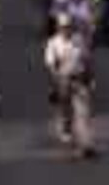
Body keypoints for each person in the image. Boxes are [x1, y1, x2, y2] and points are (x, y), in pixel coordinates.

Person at [44, 13, 96, 158]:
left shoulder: (78, 40)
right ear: (57, 27)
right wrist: (57, 82)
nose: (65, 29)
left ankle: (86, 145)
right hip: (63, 82)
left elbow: (87, 59)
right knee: (67, 112)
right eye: (62, 27)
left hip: (80, 81)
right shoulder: (53, 43)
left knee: (83, 114)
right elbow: (51, 66)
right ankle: (66, 129)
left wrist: (91, 78)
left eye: (68, 26)